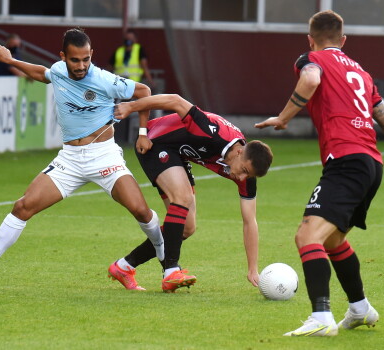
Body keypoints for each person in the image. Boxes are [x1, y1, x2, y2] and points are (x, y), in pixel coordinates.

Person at [255, 10, 384, 337]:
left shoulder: (311, 59)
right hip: (372, 163)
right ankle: (359, 308)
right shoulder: (362, 73)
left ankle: (321, 317)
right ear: (343, 41)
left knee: (306, 236)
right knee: (333, 239)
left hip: (346, 160)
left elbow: (311, 80)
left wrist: (284, 117)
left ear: (310, 38)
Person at [0, 28, 164, 288]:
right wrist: (11, 61)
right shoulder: (58, 70)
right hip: (70, 160)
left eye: (86, 59)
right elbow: (42, 73)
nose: (81, 66)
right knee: (23, 207)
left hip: (104, 157)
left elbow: (144, 91)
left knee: (141, 211)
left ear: (91, 55)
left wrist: (143, 132)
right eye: (74, 60)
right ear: (62, 57)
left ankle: (166, 262)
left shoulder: (103, 79)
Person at [111, 93, 273, 293]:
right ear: (240, 152)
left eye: (248, 176)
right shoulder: (213, 133)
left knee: (187, 227)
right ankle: (171, 271)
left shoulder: (246, 175)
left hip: (178, 154)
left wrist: (252, 269)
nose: (241, 178)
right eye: (244, 171)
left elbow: (250, 221)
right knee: (183, 198)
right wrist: (132, 108)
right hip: (156, 142)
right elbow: (175, 100)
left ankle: (124, 267)